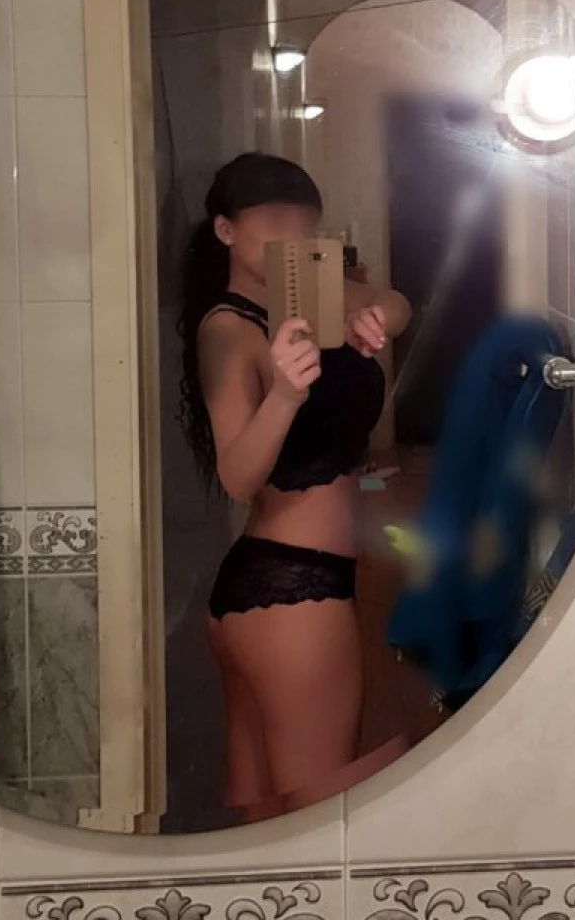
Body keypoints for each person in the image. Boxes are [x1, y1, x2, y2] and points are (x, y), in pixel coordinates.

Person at [178, 152, 411, 820]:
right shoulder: (228, 331)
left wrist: (375, 319)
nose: (293, 236)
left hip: (271, 593)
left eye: (305, 223)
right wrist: (284, 394)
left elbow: (396, 303)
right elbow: (237, 476)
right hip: (292, 594)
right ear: (225, 230)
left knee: (261, 822)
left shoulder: (313, 299)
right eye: (273, 220)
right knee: (320, 821)